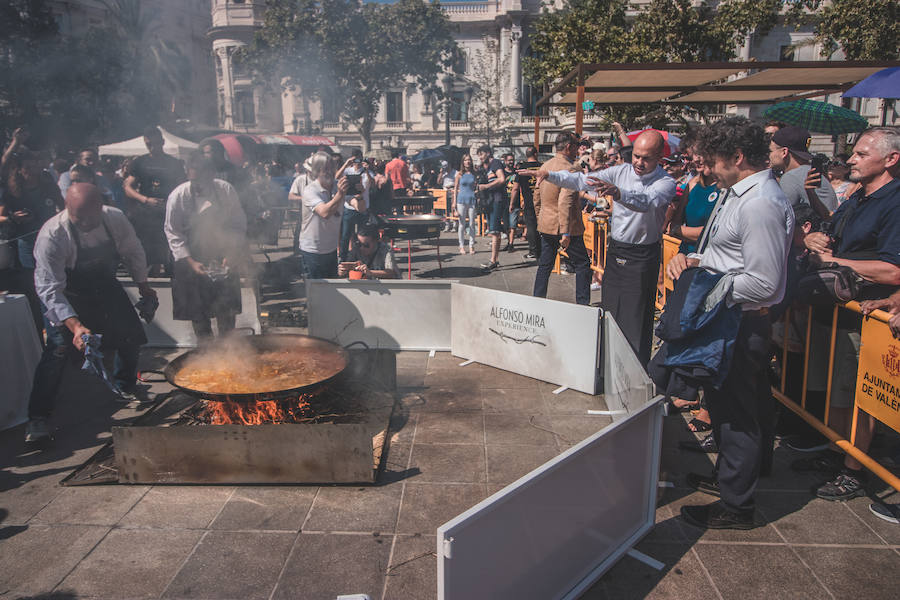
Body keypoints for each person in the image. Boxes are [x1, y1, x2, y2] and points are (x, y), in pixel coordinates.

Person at [667, 116, 793, 530]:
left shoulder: (759, 203)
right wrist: (694, 261)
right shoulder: (738, 193)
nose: (706, 168)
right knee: (736, 406)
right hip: (731, 320)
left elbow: (765, 284)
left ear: (738, 158)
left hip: (739, 324)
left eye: (714, 160)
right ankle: (733, 478)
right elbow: (728, 258)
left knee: (735, 413)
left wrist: (704, 291)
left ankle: (736, 505)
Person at [800, 126, 900, 501]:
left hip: (867, 317)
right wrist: (815, 239)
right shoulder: (859, 196)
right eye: (853, 153)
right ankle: (837, 452)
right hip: (837, 309)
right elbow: (833, 230)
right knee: (835, 393)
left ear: (891, 159)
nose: (851, 160)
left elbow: (893, 270)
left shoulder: (894, 202)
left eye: (860, 154)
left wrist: (833, 260)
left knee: (856, 397)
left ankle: (855, 469)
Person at [25, 183, 156, 443]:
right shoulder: (52, 235)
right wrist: (75, 327)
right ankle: (38, 417)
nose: (84, 223)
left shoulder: (115, 219)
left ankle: (125, 384)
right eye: (78, 218)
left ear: (101, 208)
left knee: (130, 335)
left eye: (90, 218)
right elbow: (50, 289)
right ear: (67, 209)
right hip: (67, 293)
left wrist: (144, 285)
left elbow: (132, 250)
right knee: (59, 350)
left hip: (104, 284)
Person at [532, 130, 676, 363]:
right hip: (617, 249)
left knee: (636, 316)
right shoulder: (620, 170)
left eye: (646, 158)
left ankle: (634, 368)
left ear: (659, 156)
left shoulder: (666, 182)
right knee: (610, 311)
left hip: (642, 255)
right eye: (636, 156)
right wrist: (549, 174)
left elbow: (647, 202)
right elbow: (581, 180)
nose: (638, 162)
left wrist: (619, 193)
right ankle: (607, 363)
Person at [165, 153, 247, 341]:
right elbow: (173, 232)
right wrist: (191, 262)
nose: (197, 185)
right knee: (198, 312)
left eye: (201, 179)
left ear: (211, 174)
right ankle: (207, 353)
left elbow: (238, 224)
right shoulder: (178, 196)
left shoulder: (225, 190)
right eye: (193, 179)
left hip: (222, 252)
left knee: (226, 310)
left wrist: (230, 253)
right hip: (191, 256)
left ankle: (229, 350)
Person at [1, 149, 64, 337]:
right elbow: (1, 215)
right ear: (19, 170)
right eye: (27, 167)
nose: (32, 170)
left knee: (53, 282)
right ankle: (39, 330)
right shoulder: (12, 190)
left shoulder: (47, 184)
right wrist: (12, 217)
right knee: (35, 286)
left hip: (51, 240)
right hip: (26, 244)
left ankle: (56, 327)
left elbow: (63, 207)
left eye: (35, 165)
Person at [527, 132, 591, 305]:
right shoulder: (571, 168)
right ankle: (583, 306)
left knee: (545, 265)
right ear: (569, 147)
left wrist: (541, 217)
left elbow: (537, 196)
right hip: (567, 226)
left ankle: (538, 300)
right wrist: (565, 232)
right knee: (583, 265)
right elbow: (565, 201)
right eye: (577, 145)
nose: (578, 149)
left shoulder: (546, 165)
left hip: (547, 223)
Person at [123, 126, 186, 276]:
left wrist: (172, 202)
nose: (152, 147)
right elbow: (128, 187)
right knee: (146, 252)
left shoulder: (174, 163)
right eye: (148, 144)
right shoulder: (139, 162)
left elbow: (182, 186)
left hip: (168, 212)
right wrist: (145, 200)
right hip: (146, 214)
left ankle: (173, 276)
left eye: (155, 144)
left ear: (162, 142)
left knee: (170, 249)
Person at [298, 151, 348, 278]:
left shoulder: (337, 188)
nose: (329, 171)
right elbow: (325, 213)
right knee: (316, 291)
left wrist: (359, 194)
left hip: (330, 250)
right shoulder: (310, 190)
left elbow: (361, 207)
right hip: (312, 251)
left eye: (331, 167)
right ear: (316, 171)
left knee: (331, 290)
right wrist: (340, 195)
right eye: (324, 169)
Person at [768, 126, 837, 217]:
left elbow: (780, 216)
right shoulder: (807, 172)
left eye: (770, 151)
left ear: (784, 152)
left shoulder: (791, 177)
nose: (768, 155)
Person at [476, 145, 507, 271]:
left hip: (497, 200)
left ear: (488, 153)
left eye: (481, 154)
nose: (480, 157)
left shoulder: (495, 163)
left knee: (494, 231)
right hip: (490, 201)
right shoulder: (487, 167)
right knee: (493, 230)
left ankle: (493, 260)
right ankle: (495, 259)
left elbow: (502, 179)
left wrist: (486, 186)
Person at [510, 146, 542, 260]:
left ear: (526, 155)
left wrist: (512, 203)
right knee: (542, 226)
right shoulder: (542, 166)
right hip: (542, 201)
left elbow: (515, 188)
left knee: (531, 226)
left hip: (529, 202)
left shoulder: (522, 168)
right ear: (536, 154)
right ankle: (543, 249)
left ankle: (534, 251)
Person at [338, 150, 370, 262]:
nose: (357, 162)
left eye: (359, 159)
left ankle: (362, 257)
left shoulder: (365, 171)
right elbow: (336, 177)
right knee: (346, 235)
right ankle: (343, 258)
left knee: (363, 235)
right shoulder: (347, 170)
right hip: (349, 206)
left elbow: (371, 185)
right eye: (355, 159)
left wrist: (367, 170)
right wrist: (346, 164)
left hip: (362, 206)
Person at [453, 153, 478, 255]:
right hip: (461, 200)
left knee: (472, 223)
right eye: (465, 160)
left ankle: (471, 245)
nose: (467, 162)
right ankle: (461, 245)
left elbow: (476, 186)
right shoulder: (459, 174)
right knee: (462, 224)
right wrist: (454, 202)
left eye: (469, 160)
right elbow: (455, 189)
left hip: (471, 199)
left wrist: (476, 192)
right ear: (463, 162)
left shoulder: (474, 173)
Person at [501, 153, 519, 252]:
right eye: (509, 160)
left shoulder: (517, 173)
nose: (511, 162)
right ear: (505, 161)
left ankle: (511, 244)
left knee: (513, 224)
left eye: (512, 160)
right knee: (506, 225)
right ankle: (509, 242)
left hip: (515, 202)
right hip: (504, 201)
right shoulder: (502, 173)